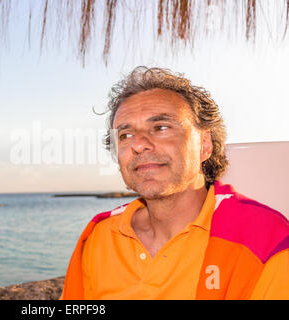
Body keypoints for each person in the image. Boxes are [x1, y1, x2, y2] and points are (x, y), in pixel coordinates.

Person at [60, 67, 288, 300]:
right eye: (125, 135)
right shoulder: (99, 237)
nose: (138, 144)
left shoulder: (265, 240)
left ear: (204, 144)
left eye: (160, 128)